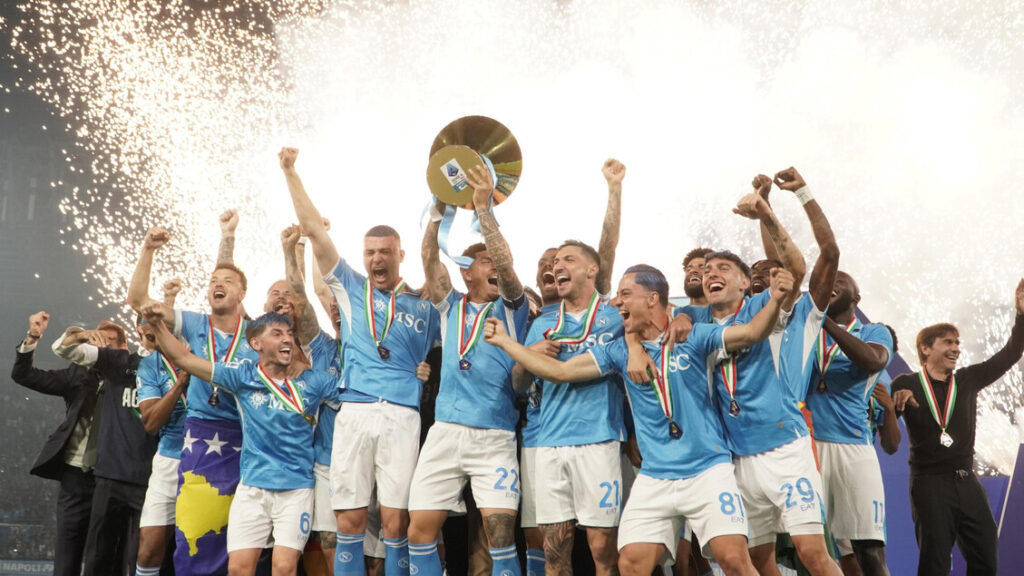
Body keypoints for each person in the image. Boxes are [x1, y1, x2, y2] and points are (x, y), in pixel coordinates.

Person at [485, 263, 793, 576]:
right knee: (631, 563)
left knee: (734, 560)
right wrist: (506, 342)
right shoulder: (618, 351)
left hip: (707, 470)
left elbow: (752, 333)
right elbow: (560, 371)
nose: (617, 302)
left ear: (652, 299)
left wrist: (776, 300)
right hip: (655, 475)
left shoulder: (694, 336)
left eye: (625, 294)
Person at [652, 170, 841, 576]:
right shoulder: (696, 318)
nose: (711, 274)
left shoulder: (762, 309)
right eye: (707, 271)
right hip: (735, 457)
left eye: (723, 268)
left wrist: (768, 212)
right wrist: (681, 317)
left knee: (812, 553)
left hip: (784, 447)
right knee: (756, 561)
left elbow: (798, 266)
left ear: (744, 283)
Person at [279, 147, 440, 576]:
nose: (376, 259)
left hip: (402, 414)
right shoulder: (351, 289)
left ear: (401, 255)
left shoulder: (425, 303)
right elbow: (315, 232)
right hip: (355, 411)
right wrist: (290, 171)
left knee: (396, 523)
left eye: (385, 251)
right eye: (370, 252)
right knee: (348, 523)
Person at [146, 308, 343, 576]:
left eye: (289, 334)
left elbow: (355, 400)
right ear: (256, 344)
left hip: (296, 490)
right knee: (238, 569)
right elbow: (185, 358)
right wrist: (157, 326)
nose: (287, 339)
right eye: (277, 334)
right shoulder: (243, 376)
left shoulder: (314, 381)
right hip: (252, 489)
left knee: (284, 568)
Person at [407, 164, 529, 576]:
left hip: (494, 436)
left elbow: (507, 268)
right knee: (419, 532)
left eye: (497, 260)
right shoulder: (450, 306)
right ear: (466, 272)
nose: (495, 265)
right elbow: (429, 258)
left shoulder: (512, 308)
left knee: (500, 538)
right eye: (484, 260)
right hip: (444, 433)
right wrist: (439, 210)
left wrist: (483, 210)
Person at [127, 224, 259, 576]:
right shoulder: (194, 324)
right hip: (199, 440)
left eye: (227, 281)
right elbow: (138, 301)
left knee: (236, 544)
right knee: (196, 535)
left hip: (247, 443)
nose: (218, 284)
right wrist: (148, 249)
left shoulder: (258, 334)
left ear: (243, 293)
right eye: (213, 280)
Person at [891, 279, 1024, 576]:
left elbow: (1011, 353)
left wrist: (1021, 315)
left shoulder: (967, 380)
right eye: (948, 342)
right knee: (935, 562)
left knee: (986, 559)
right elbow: (887, 428)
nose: (956, 348)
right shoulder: (906, 383)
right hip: (930, 482)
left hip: (967, 480)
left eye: (957, 343)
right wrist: (895, 403)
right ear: (925, 348)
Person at [516, 240, 625, 576]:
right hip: (550, 444)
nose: (557, 266)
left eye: (568, 259)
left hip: (599, 440)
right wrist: (529, 355)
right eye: (555, 262)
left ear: (592, 270)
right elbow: (518, 383)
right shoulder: (542, 325)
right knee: (554, 554)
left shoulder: (616, 317)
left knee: (603, 551)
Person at [803, 271, 895, 576]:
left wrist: (823, 320)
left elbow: (873, 360)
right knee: (807, 546)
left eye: (838, 281)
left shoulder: (874, 332)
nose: (829, 284)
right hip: (807, 446)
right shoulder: (805, 330)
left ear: (856, 297)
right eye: (824, 281)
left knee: (868, 550)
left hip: (853, 446)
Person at [52, 317, 159, 576]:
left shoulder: (173, 366)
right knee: (98, 558)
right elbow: (63, 349)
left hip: (151, 481)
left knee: (139, 560)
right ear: (138, 328)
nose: (154, 325)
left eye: (161, 321)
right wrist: (81, 335)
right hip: (110, 477)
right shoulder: (119, 361)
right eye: (147, 320)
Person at [10, 311, 102, 576]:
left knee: (103, 554)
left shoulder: (125, 375)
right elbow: (23, 375)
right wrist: (33, 336)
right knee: (67, 555)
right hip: (75, 475)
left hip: (110, 475)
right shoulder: (74, 376)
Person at [134, 310, 191, 576]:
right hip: (169, 459)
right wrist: (179, 385)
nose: (153, 340)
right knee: (148, 550)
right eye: (148, 335)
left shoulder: (200, 352)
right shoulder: (149, 365)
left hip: (209, 458)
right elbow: (150, 423)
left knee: (201, 547)